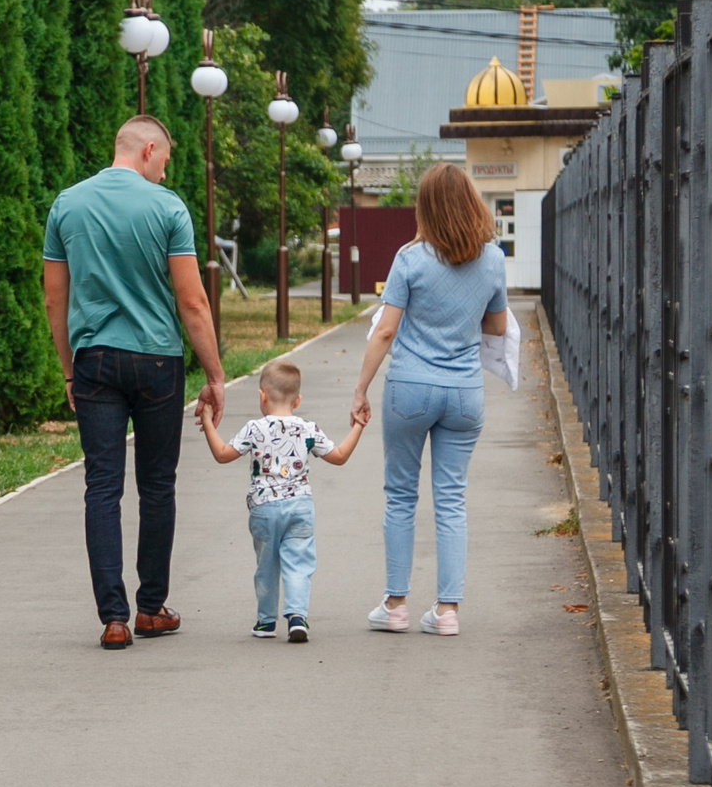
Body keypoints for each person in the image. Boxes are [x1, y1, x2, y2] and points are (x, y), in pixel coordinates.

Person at [43, 114, 227, 650]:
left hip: (94, 360)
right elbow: (191, 302)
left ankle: (113, 619)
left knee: (102, 486)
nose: (165, 175)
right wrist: (215, 376)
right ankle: (150, 609)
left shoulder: (67, 204)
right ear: (148, 149)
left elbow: (56, 298)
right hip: (157, 363)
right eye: (165, 162)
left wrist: (68, 369)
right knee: (157, 485)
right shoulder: (168, 208)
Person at [348, 162, 509, 637]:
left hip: (410, 390)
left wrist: (360, 389)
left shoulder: (411, 258)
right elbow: (497, 327)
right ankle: (447, 612)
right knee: (452, 499)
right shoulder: (493, 259)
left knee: (400, 495)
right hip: (464, 395)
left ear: (426, 207)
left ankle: (395, 606)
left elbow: (386, 329)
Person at [197, 358, 365, 643]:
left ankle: (266, 622)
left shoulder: (254, 428)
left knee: (267, 565)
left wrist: (207, 422)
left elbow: (223, 455)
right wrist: (358, 427)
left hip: (264, 509)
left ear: (262, 395)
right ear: (297, 400)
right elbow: (339, 457)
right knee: (299, 563)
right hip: (300, 506)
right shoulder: (308, 429)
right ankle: (297, 617)